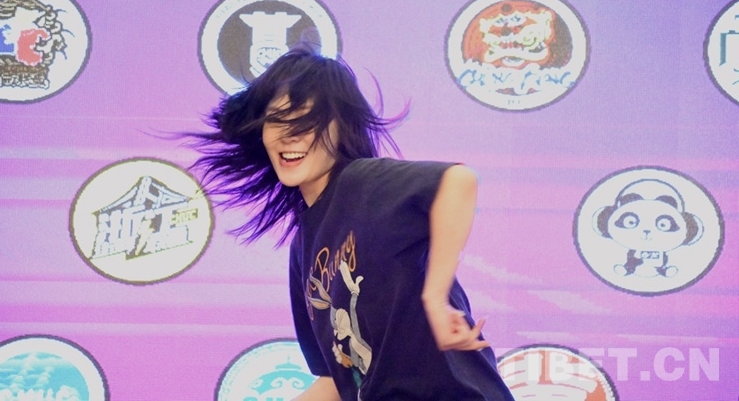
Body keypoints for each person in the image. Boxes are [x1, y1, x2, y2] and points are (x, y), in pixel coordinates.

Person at [192, 48, 514, 400]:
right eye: (277, 120)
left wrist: (435, 299)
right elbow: (334, 380)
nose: (289, 136)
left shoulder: (362, 183)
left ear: (340, 128)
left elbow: (458, 182)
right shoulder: (304, 245)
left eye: (306, 121)